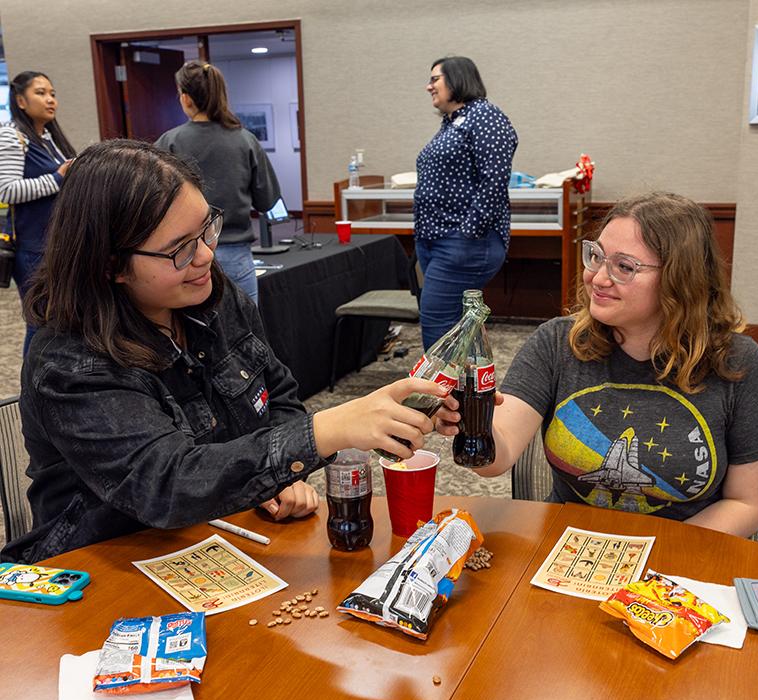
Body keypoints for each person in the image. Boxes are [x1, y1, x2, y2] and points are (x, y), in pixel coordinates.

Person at [1, 140, 455, 564]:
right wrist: (326, 430)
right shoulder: (69, 363)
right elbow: (165, 482)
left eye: (206, 230)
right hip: (102, 561)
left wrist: (283, 475)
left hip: (214, 539)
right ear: (110, 266)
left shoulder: (211, 297)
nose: (204, 257)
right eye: (179, 249)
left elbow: (277, 393)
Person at [438, 192, 758, 538]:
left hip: (678, 557)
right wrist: (472, 423)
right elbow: (497, 457)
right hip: (566, 547)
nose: (598, 278)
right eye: (597, 257)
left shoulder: (738, 363)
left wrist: (654, 557)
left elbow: (746, 503)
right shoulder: (556, 343)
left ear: (680, 281)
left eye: (624, 267)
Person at [413, 56, 517, 350]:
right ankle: (467, 393)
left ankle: (439, 395)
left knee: (437, 325)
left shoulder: (485, 116)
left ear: (457, 79)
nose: (428, 86)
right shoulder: (453, 122)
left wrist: (468, 232)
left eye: (435, 79)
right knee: (458, 329)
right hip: (437, 240)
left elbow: (494, 180)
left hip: (463, 244)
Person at [155, 60, 277, 305]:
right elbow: (268, 200)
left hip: (186, 259)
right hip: (238, 256)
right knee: (246, 334)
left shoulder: (169, 143)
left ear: (186, 99)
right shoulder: (246, 140)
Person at [0, 71, 76, 353]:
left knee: (60, 319)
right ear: (20, 100)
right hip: (33, 249)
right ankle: (31, 389)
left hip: (56, 244)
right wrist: (57, 178)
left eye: (53, 94)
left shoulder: (48, 137)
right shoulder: (12, 136)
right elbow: (5, 190)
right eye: (41, 93)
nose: (50, 100)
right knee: (41, 322)